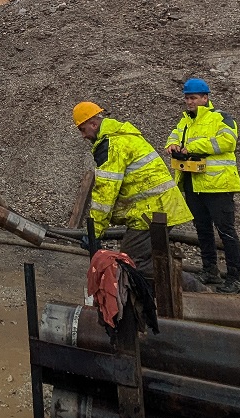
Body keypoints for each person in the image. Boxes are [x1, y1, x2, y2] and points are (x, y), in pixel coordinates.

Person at [74, 101, 193, 283]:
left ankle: (193, 290)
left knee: (131, 262)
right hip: (160, 207)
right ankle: (162, 295)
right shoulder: (121, 136)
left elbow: (105, 195)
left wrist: (95, 232)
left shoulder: (111, 145)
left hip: (151, 212)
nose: (83, 136)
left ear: (93, 124)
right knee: (148, 259)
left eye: (83, 130)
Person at [166, 78, 240, 293]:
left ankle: (236, 277)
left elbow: (227, 141)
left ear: (205, 98)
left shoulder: (220, 118)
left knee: (226, 231)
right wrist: (172, 145)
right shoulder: (185, 121)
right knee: (202, 229)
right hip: (193, 182)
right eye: (186, 98)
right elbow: (174, 135)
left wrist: (191, 147)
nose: (189, 102)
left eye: (193, 98)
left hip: (218, 185)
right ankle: (210, 270)